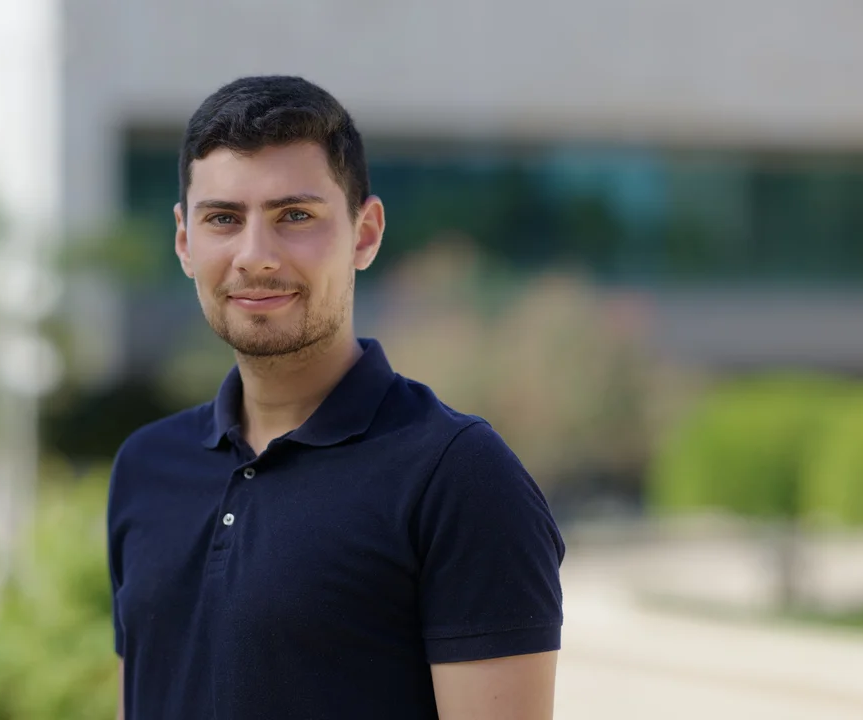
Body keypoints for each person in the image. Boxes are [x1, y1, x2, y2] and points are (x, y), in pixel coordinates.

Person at [107, 75, 565, 720]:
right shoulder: (146, 466)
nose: (255, 256)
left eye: (295, 216)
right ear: (185, 240)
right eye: (223, 219)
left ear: (365, 233)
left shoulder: (458, 476)